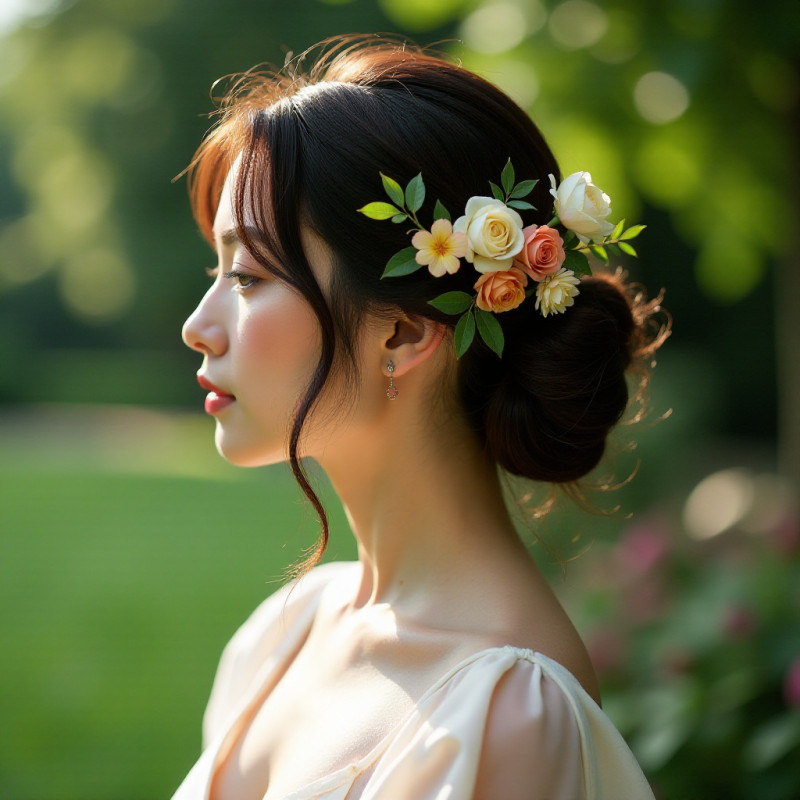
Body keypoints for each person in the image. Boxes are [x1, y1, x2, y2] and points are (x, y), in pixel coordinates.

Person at [175, 35, 667, 800]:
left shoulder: (508, 716)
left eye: (247, 274)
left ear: (402, 334)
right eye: (219, 268)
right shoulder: (285, 631)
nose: (198, 325)